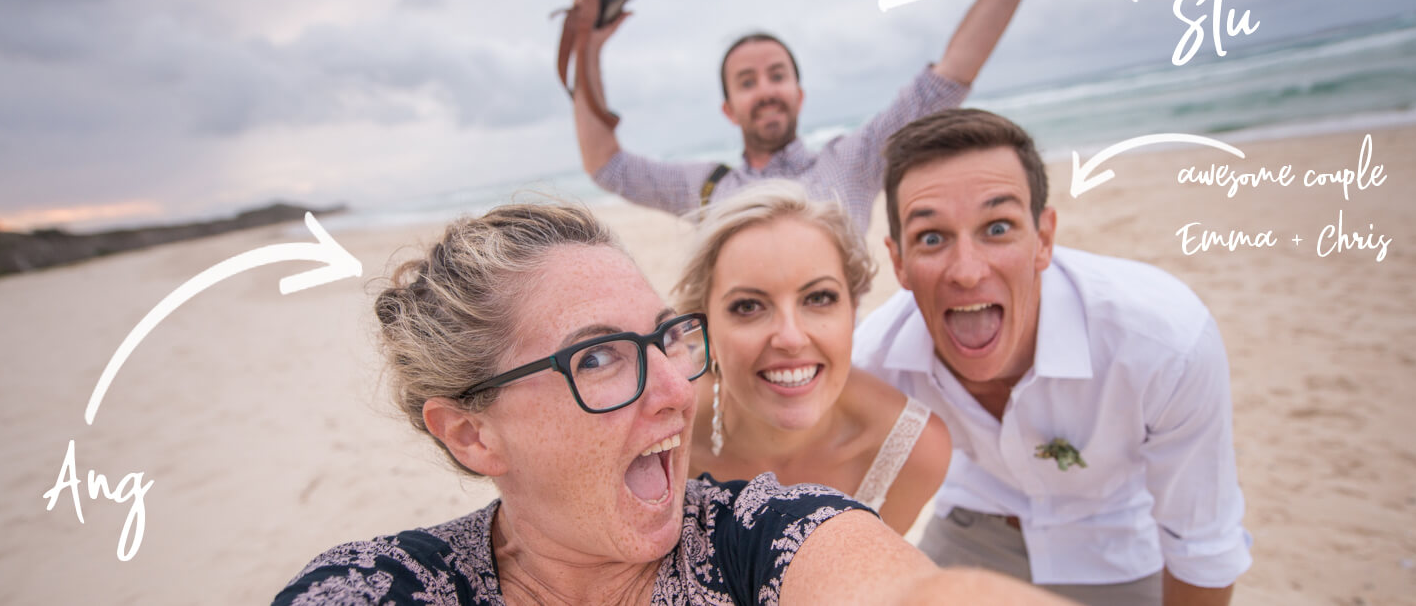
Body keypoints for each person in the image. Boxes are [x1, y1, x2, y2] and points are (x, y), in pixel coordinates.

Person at [273, 201, 1069, 605]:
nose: (674, 390)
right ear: (473, 435)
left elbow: (904, 590)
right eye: (596, 357)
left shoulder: (759, 533)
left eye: (663, 342)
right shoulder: (376, 585)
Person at [852, 109, 1252, 605]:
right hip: (972, 528)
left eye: (997, 227)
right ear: (899, 262)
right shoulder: (876, 360)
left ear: (1043, 240)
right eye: (931, 238)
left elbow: (1203, 543)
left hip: (1121, 542)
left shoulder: (1165, 344)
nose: (968, 272)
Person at [571, 0, 1063, 234]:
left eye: (776, 75)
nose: (765, 90)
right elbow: (606, 166)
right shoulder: (705, 188)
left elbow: (951, 75)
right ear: (728, 109)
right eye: (747, 82)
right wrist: (587, 47)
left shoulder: (852, 162)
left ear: (800, 95)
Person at [669, 181, 951, 534]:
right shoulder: (660, 435)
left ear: (852, 309)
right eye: (748, 306)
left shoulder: (911, 452)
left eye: (818, 298)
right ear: (706, 328)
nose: (790, 338)